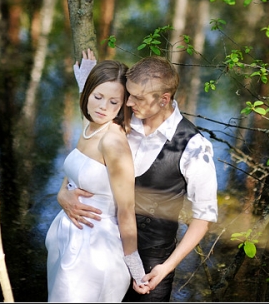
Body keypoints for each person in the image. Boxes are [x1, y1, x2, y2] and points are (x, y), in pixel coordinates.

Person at [58, 51, 218, 302]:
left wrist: (167, 267)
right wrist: (64, 192)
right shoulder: (124, 117)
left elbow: (203, 218)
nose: (128, 102)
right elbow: (87, 145)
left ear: (164, 100)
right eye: (128, 94)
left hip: (153, 263)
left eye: (137, 97)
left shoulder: (195, 147)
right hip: (104, 249)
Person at [46, 59, 150, 303]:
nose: (103, 107)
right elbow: (76, 172)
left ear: (123, 104)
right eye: (97, 97)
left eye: (114, 102)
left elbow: (126, 210)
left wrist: (137, 271)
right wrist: (62, 194)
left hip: (94, 252)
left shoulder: (113, 143)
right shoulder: (91, 124)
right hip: (67, 238)